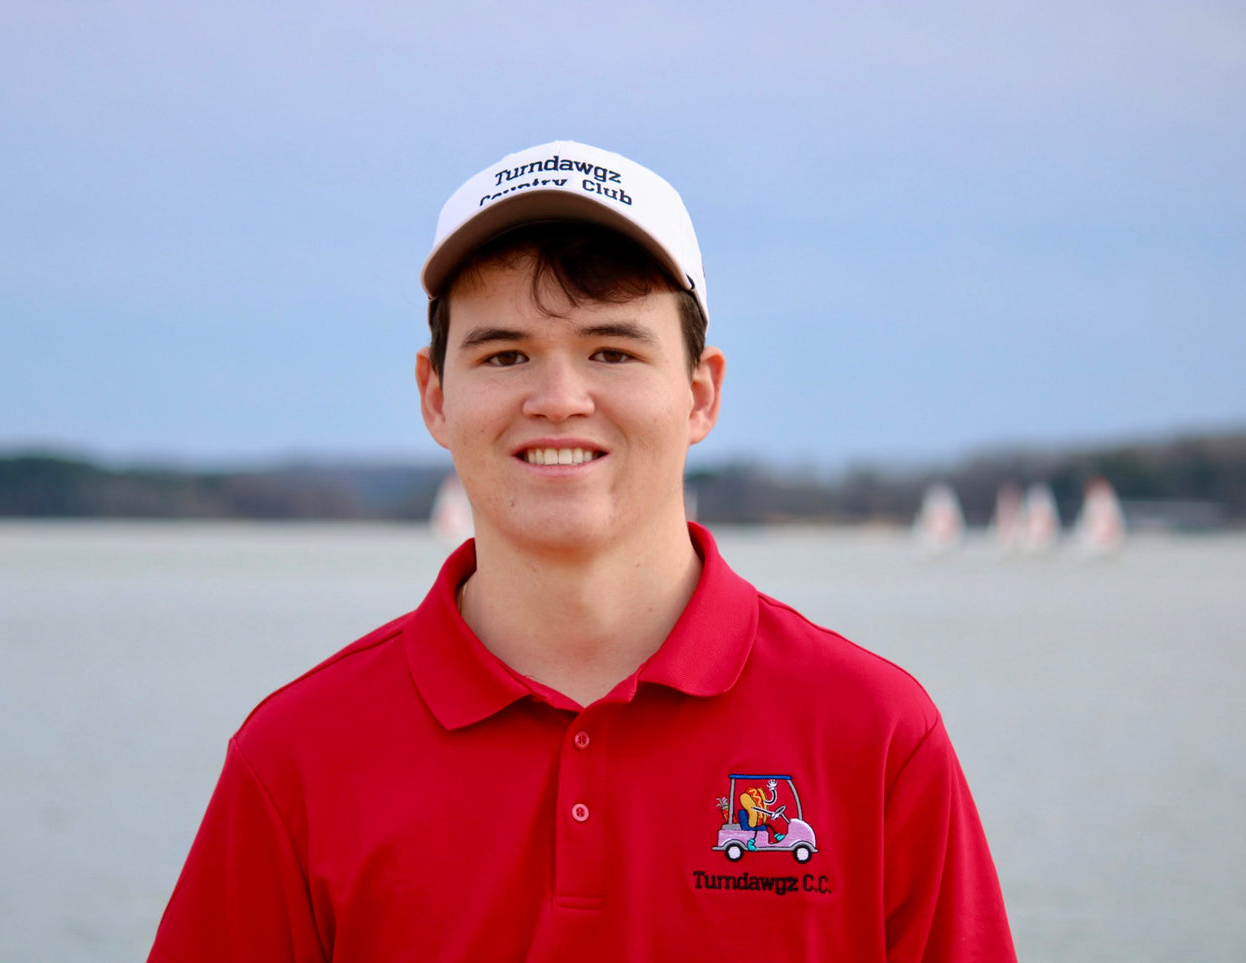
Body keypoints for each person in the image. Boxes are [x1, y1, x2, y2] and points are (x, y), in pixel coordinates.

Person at [148, 140, 1016, 962]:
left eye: (610, 348)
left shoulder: (875, 738)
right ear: (435, 395)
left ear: (700, 393)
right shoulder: (297, 756)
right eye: (506, 353)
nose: (558, 398)